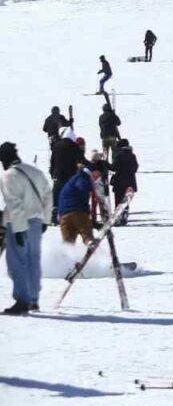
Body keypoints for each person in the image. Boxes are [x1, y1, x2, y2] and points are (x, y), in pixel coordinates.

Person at [1, 142, 53, 315]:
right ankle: (33, 299)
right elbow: (48, 195)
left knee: (16, 262)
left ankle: (22, 300)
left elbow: (14, 204)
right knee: (33, 260)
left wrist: (18, 228)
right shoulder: (35, 172)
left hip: (19, 223)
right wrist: (46, 219)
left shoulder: (9, 175)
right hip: (37, 222)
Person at [58, 157, 97, 243]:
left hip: (63, 215)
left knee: (68, 241)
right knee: (86, 233)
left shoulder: (73, 179)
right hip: (77, 211)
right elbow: (81, 186)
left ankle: (66, 254)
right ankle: (89, 242)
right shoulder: (82, 178)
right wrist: (90, 188)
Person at [49, 130, 83, 220]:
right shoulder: (75, 147)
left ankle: (53, 217)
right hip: (71, 176)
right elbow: (80, 160)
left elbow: (52, 161)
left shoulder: (56, 146)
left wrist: (52, 173)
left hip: (58, 176)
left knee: (56, 196)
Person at [109, 138, 138, 224]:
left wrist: (105, 164)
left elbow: (114, 168)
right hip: (130, 182)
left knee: (118, 200)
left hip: (119, 182)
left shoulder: (119, 155)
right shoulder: (132, 155)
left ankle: (118, 218)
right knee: (126, 201)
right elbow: (135, 168)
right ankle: (124, 217)